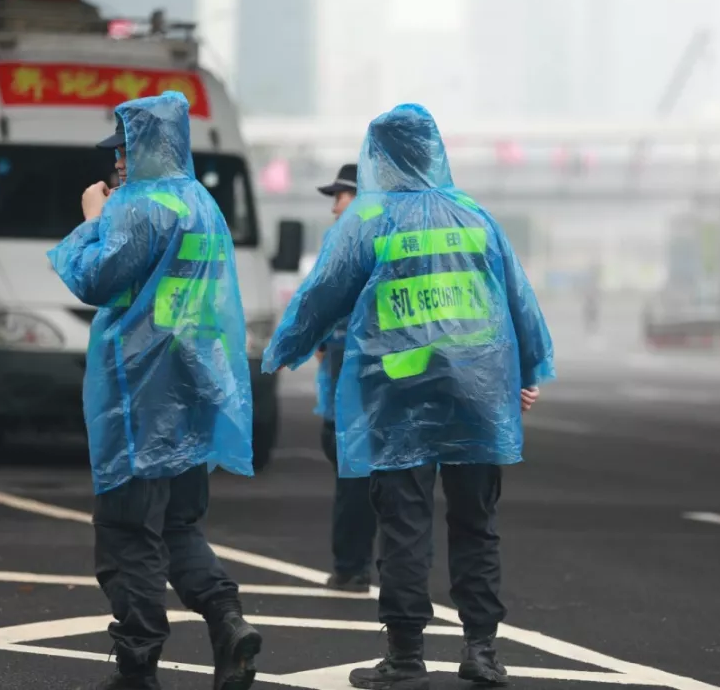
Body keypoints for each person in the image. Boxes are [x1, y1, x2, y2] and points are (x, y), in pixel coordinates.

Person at [262, 103, 554, 690]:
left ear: (383, 158)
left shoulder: (370, 219)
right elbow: (518, 299)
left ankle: (404, 657)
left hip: (399, 396)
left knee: (404, 524)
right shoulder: (474, 216)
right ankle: (481, 650)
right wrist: (528, 371)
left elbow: (320, 297)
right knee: (476, 522)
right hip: (477, 392)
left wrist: (280, 352)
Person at [48, 91, 262, 690]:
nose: (116, 162)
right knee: (179, 527)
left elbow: (95, 278)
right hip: (193, 391)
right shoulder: (202, 204)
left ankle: (138, 665)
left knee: (127, 532)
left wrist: (92, 220)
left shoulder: (137, 208)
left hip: (139, 393)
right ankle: (228, 621)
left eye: (122, 149)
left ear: (145, 148)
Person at [314, 163, 379, 592]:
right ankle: (357, 564)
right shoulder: (351, 238)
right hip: (349, 376)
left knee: (355, 477)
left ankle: (352, 566)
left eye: (341, 196)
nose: (335, 207)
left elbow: (320, 300)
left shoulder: (356, 240)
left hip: (356, 379)